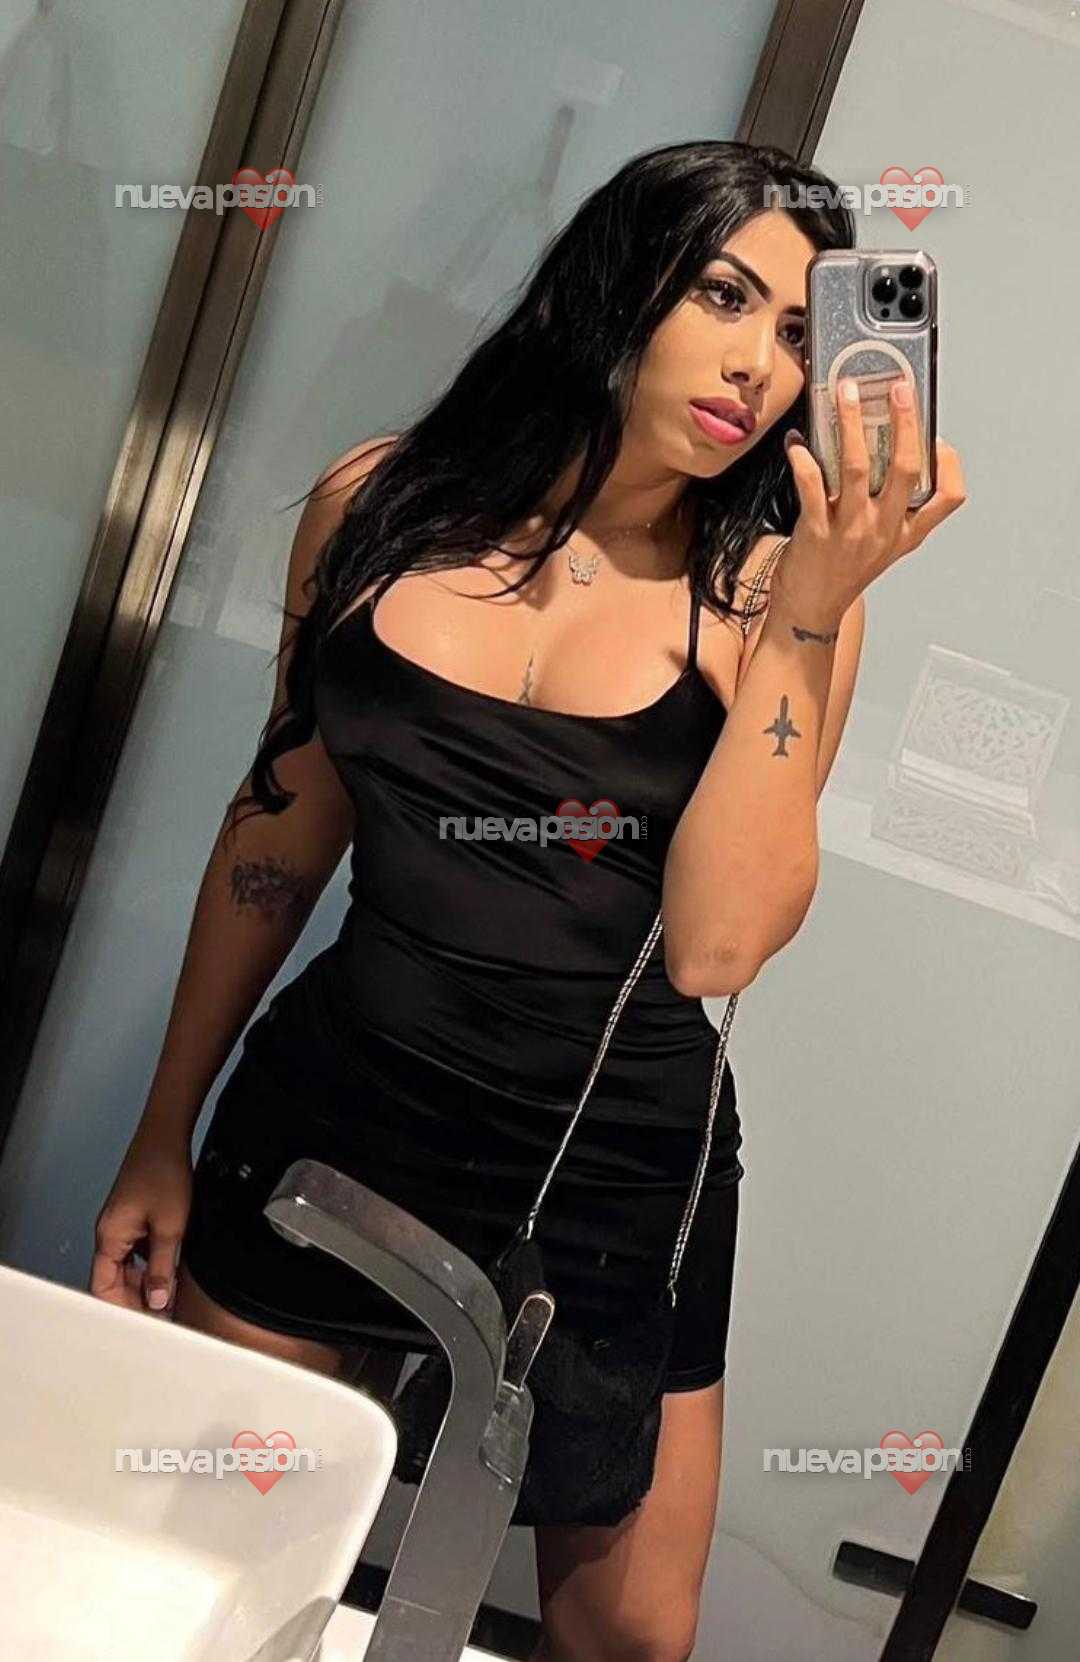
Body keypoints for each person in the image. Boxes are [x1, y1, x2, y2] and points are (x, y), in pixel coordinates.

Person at [91, 139, 966, 1660]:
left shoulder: (772, 599)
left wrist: (815, 610)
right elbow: (281, 829)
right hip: (345, 1102)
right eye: (723, 296)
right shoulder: (374, 507)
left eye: (796, 335)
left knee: (631, 1637)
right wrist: (163, 1126)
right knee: (219, 1556)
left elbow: (720, 944)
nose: (758, 367)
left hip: (616, 1164)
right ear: (616, 282)